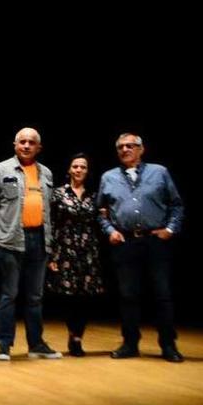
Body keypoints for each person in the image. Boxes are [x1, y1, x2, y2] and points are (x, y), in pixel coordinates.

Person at [97, 133, 185, 362]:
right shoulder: (108, 177)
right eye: (121, 147)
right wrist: (109, 230)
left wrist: (171, 229)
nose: (125, 149)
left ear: (141, 149)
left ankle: (168, 345)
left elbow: (176, 205)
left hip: (155, 241)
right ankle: (130, 343)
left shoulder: (160, 172)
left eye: (130, 146)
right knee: (128, 295)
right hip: (125, 243)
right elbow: (101, 212)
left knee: (162, 294)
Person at [0, 127, 61, 361]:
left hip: (39, 239)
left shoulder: (46, 173)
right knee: (10, 293)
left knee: (35, 296)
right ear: (15, 145)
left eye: (31, 142)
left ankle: (36, 344)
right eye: (22, 142)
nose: (27, 146)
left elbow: (50, 209)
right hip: (10, 240)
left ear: (39, 147)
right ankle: (4, 346)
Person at [46, 153, 104, 357]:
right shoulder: (58, 194)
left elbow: (100, 222)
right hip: (64, 250)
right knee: (68, 297)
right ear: (69, 170)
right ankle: (72, 332)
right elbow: (51, 224)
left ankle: (78, 337)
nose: (79, 170)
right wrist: (51, 255)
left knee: (85, 297)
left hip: (88, 251)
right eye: (75, 166)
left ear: (87, 171)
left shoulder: (94, 196)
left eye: (83, 167)